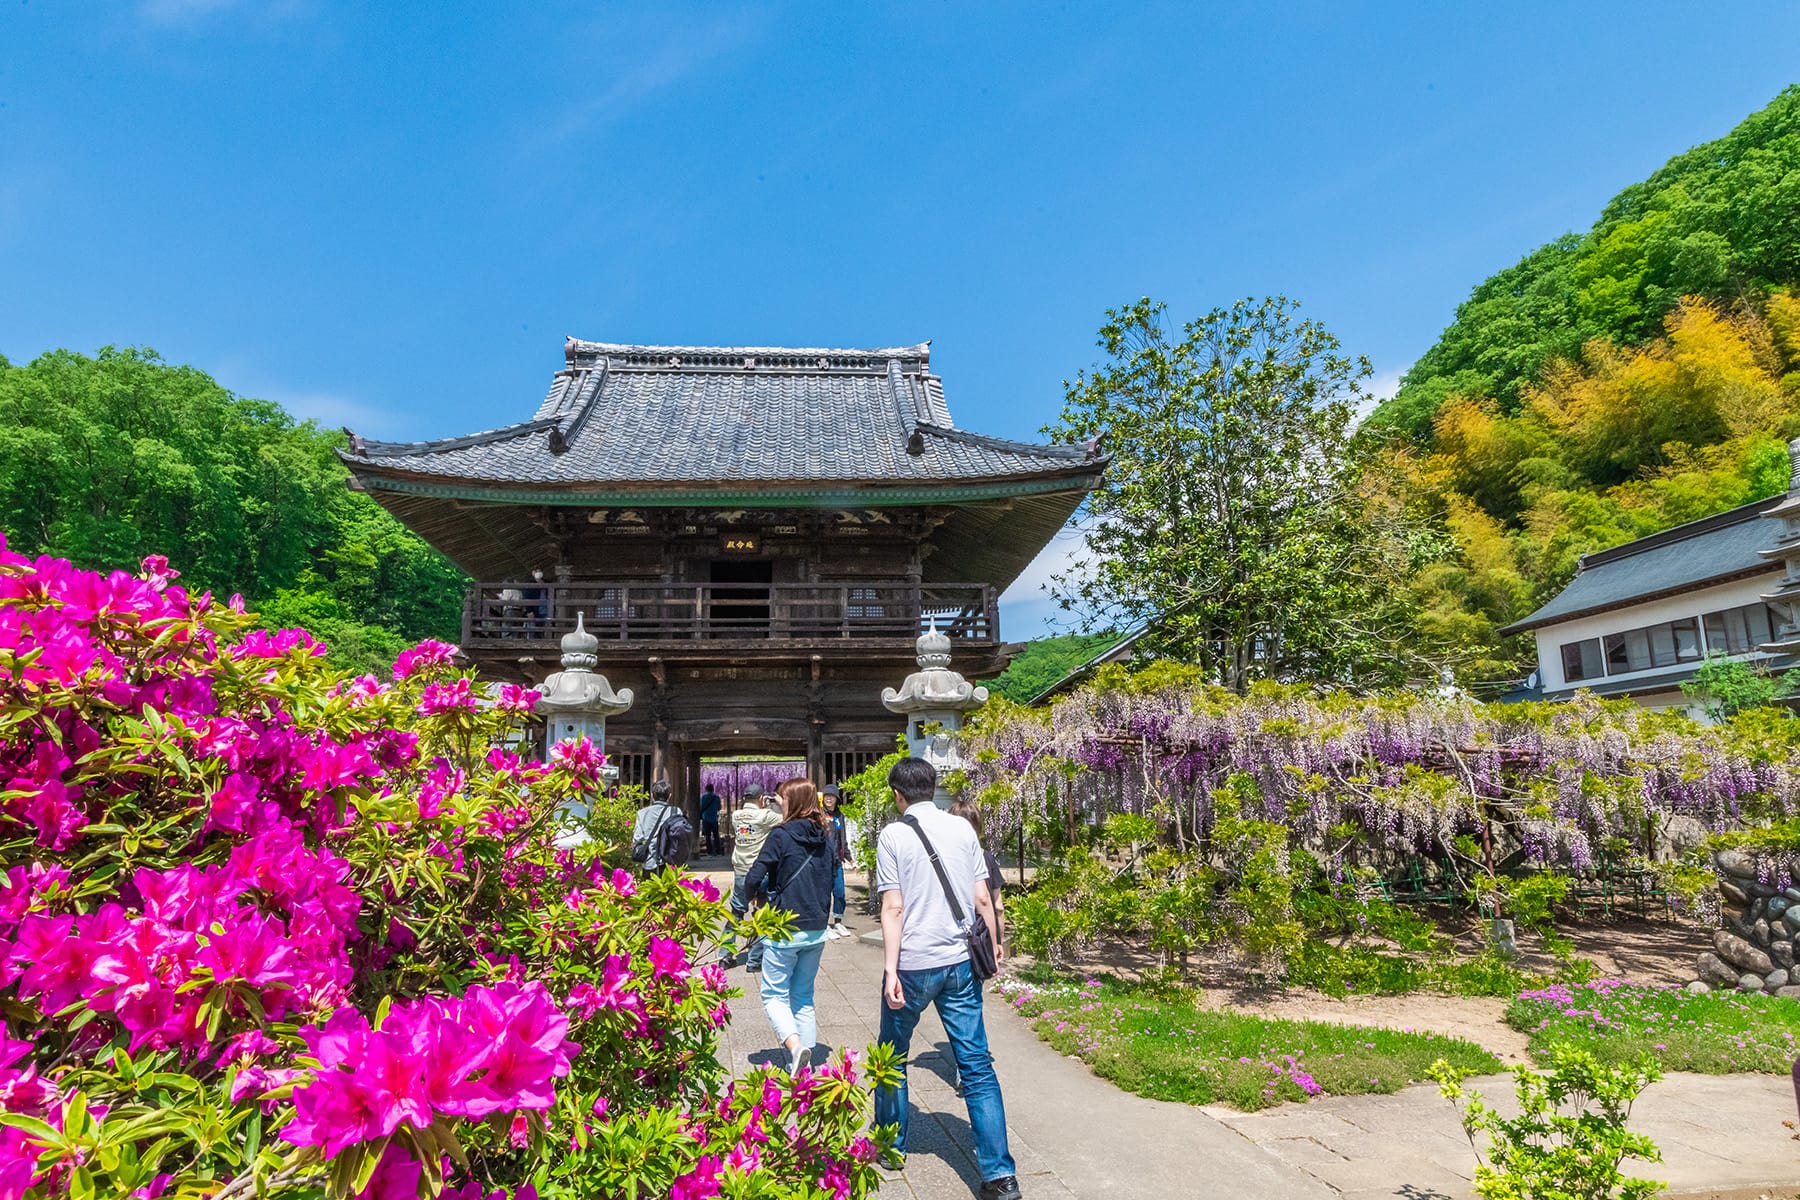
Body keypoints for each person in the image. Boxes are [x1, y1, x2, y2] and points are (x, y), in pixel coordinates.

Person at [874, 758, 1019, 1200]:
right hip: (960, 961)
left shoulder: (893, 834)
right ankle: (1000, 1175)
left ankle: (891, 1146)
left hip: (915, 962)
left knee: (892, 1057)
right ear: (933, 789)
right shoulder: (962, 829)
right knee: (975, 1065)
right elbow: (981, 897)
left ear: (899, 795)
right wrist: (994, 944)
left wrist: (890, 969)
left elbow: (893, 908)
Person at [742, 777, 835, 1075]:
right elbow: (832, 875)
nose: (778, 803)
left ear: (793, 801)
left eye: (782, 799)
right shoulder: (825, 835)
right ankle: (804, 1065)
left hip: (785, 927)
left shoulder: (781, 835)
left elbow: (754, 875)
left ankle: (796, 1048)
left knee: (773, 994)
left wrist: (753, 899)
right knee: (803, 995)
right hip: (817, 926)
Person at [723, 784, 780, 972]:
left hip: (739, 869)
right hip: (758, 871)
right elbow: (787, 819)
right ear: (761, 798)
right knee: (761, 914)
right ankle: (754, 960)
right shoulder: (765, 816)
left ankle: (725, 955)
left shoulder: (735, 815)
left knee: (736, 913)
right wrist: (776, 802)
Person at [821, 785, 853, 939]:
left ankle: (838, 921)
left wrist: (848, 856)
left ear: (836, 799)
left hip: (837, 860)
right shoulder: (819, 814)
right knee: (825, 893)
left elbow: (843, 839)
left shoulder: (839, 816)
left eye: (832, 796)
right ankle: (825, 924)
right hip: (823, 861)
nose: (829, 798)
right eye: (826, 796)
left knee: (840, 892)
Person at [630, 780, 680, 876]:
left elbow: (637, 838)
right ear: (669, 796)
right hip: (670, 862)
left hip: (649, 862)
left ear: (652, 795)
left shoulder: (642, 813)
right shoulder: (676, 812)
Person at [698, 783, 723, 857]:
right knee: (716, 835)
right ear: (713, 789)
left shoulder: (703, 797)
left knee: (708, 836)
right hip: (714, 818)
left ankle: (709, 852)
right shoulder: (717, 797)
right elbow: (719, 807)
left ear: (706, 789)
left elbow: (701, 807)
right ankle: (718, 852)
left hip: (706, 818)